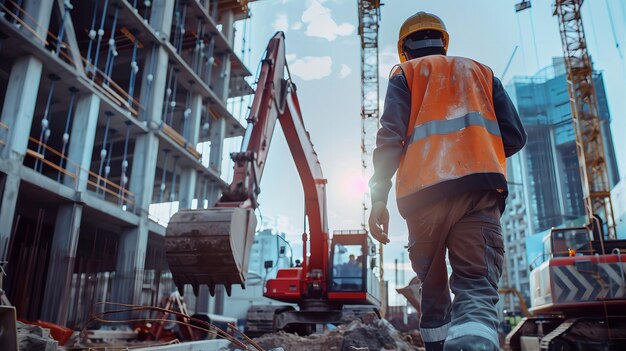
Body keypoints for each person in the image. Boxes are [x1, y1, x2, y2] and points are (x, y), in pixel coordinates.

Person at [368, 12, 527, 351]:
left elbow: (390, 139)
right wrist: (476, 150)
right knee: (475, 287)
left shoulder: (406, 75)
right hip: (478, 194)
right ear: (443, 43)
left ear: (405, 50)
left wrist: (378, 197)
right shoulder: (482, 73)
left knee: (434, 291)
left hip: (422, 199)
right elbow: (514, 136)